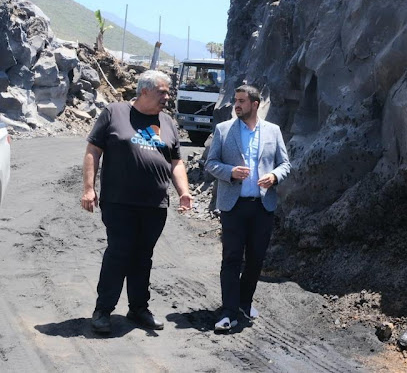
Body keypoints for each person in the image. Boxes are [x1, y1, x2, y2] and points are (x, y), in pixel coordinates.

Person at [81, 70, 192, 334]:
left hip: (155, 205)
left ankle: (138, 308)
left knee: (143, 257)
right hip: (120, 202)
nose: (168, 96)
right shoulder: (114, 112)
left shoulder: (167, 122)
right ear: (144, 91)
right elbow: (93, 151)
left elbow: (176, 161)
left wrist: (183, 192)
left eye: (168, 92)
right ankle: (103, 311)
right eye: (162, 92)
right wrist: (88, 188)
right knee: (119, 254)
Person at [206, 84, 291, 331]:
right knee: (231, 258)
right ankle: (228, 311)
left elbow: (284, 164)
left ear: (255, 104)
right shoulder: (224, 130)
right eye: (236, 100)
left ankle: (244, 302)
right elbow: (211, 163)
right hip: (233, 206)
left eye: (242, 101)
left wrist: (274, 176)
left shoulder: (273, 131)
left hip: (262, 206)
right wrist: (230, 172)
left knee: (255, 259)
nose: (237, 105)